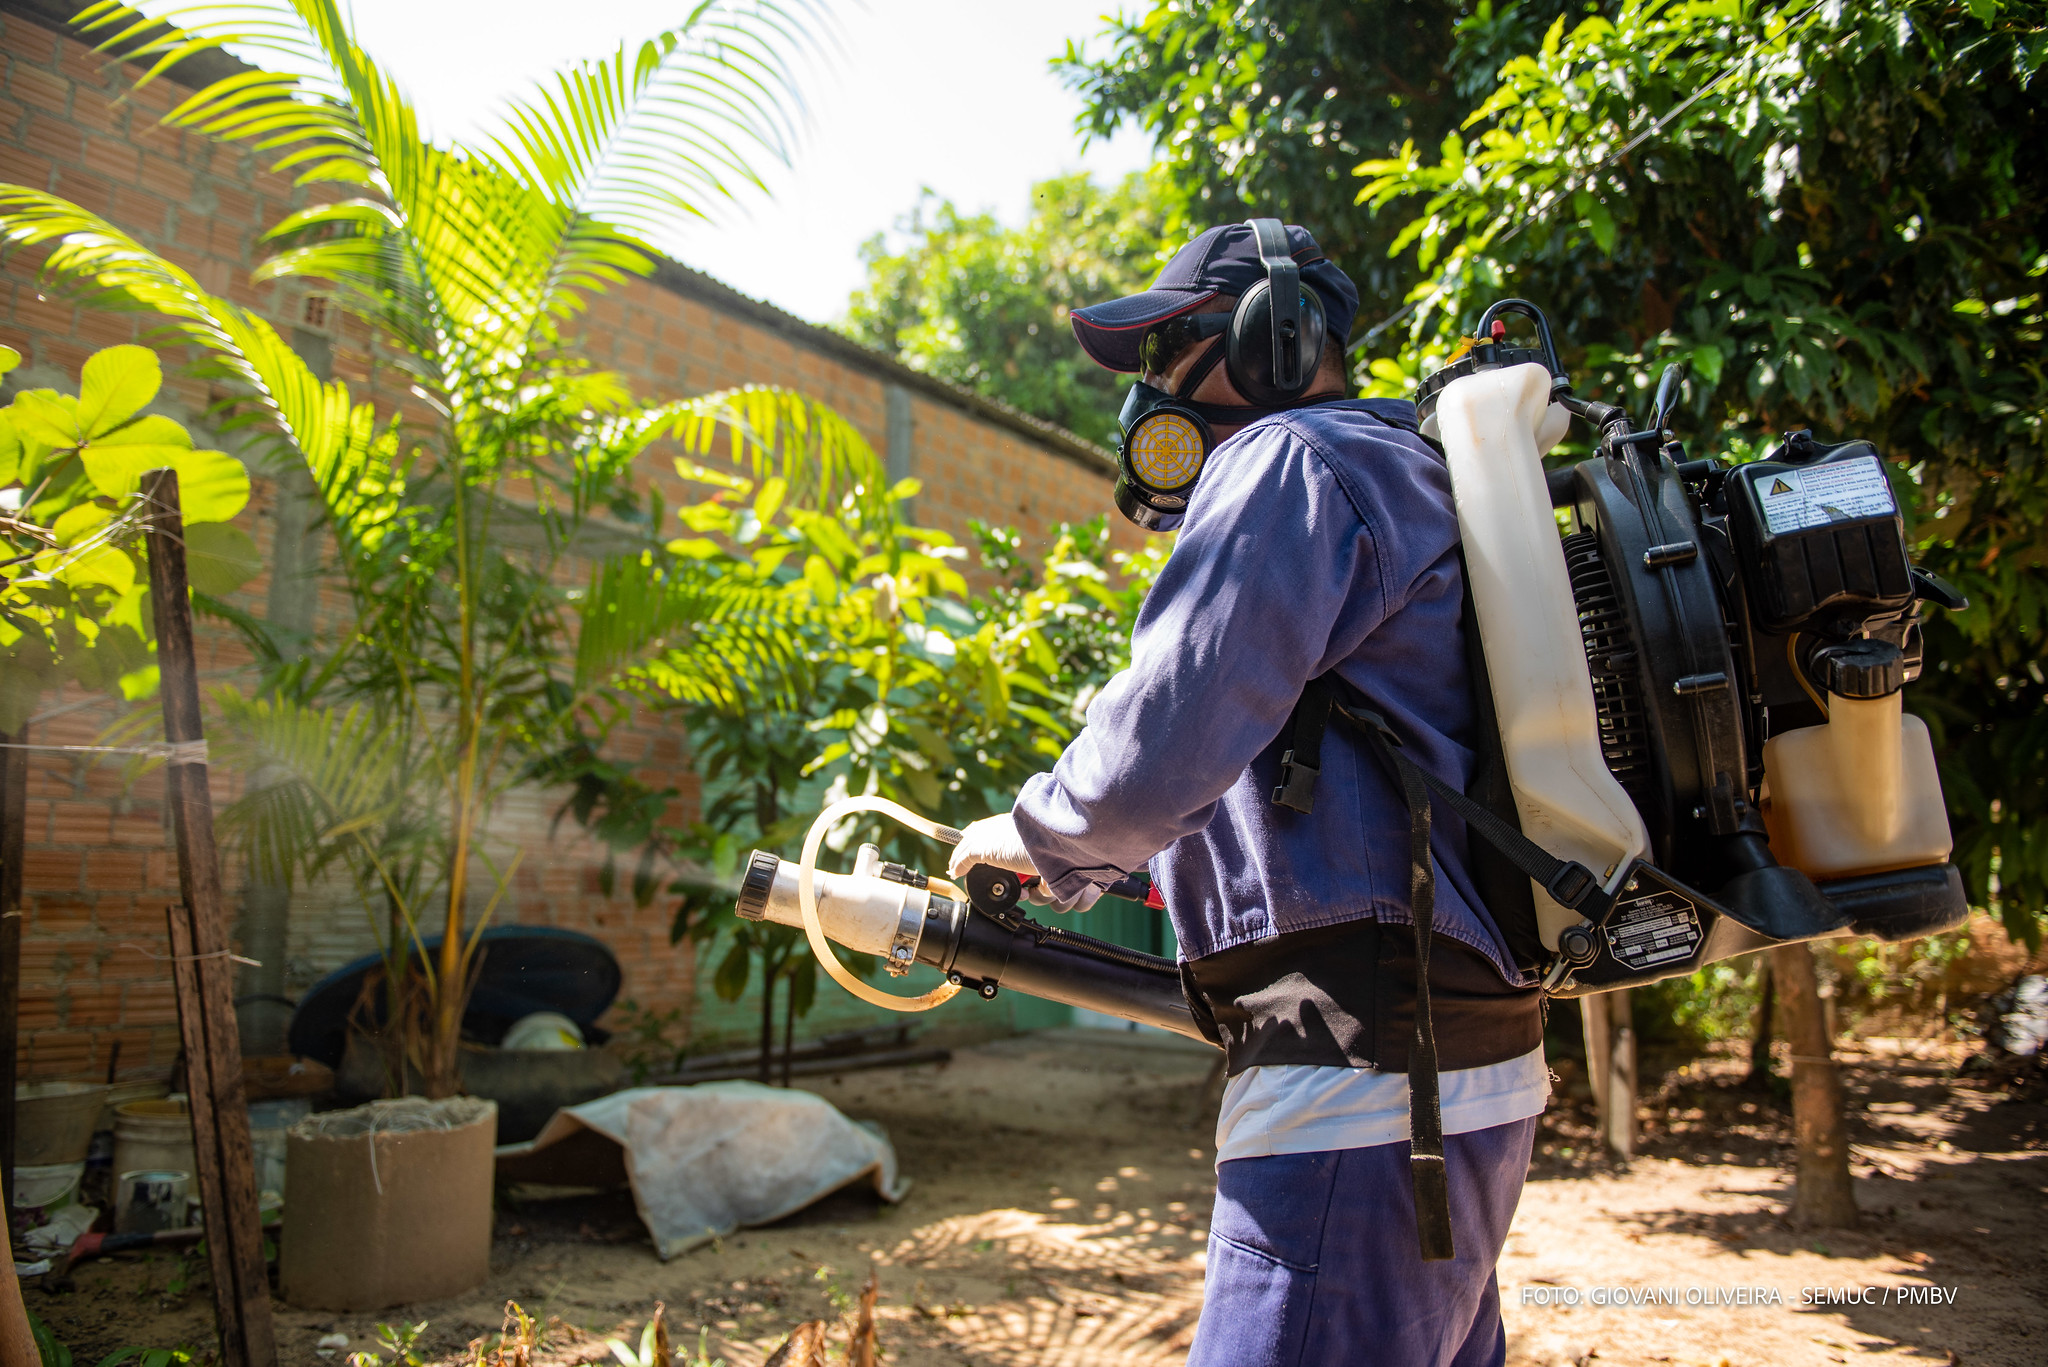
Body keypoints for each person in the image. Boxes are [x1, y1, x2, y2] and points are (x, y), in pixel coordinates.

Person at [947, 220, 1548, 1366]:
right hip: (1445, 1067)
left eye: (1166, 350)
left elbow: (1163, 738)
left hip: (1359, 1084)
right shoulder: (1398, 469)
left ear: (1275, 337)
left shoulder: (1291, 461)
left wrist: (1038, 836)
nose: (1151, 388)